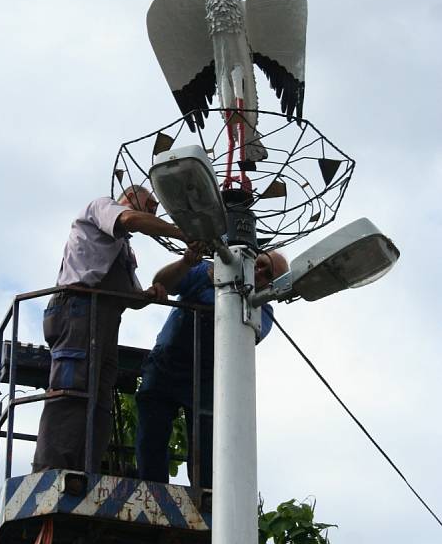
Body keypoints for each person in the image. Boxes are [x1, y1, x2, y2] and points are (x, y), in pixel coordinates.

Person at [32, 186, 190, 474]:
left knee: (100, 399)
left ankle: (85, 471)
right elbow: (131, 220)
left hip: (105, 318)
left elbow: (131, 299)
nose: (154, 210)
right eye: (150, 203)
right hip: (79, 309)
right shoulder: (101, 206)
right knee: (72, 391)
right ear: (128, 198)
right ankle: (51, 472)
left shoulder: (124, 249)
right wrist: (180, 232)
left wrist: (151, 294)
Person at [135, 247, 289, 488]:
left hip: (207, 379)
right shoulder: (209, 271)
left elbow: (247, 333)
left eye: (267, 274)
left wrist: (222, 293)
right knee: (151, 437)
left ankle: (206, 499)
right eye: (258, 264)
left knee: (207, 447)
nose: (258, 272)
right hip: (165, 364)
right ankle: (151, 491)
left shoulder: (263, 309)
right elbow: (163, 282)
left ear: (272, 286)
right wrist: (186, 262)